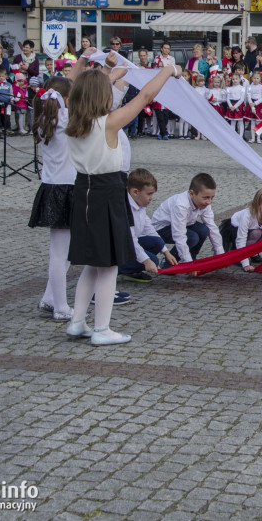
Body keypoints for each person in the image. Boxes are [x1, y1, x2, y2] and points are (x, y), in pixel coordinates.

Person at [63, 60, 177, 345]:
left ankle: (78, 320)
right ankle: (102, 328)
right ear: (104, 96)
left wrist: (113, 74)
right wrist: (168, 70)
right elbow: (145, 96)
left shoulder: (72, 120)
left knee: (92, 263)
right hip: (107, 194)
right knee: (110, 266)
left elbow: (74, 86)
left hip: (83, 191)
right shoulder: (108, 123)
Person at [28, 77, 76, 321]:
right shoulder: (65, 121)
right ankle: (60, 306)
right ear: (66, 100)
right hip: (65, 189)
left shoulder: (44, 120)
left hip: (54, 187)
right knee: (60, 253)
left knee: (64, 252)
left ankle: (50, 298)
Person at [151, 173, 226, 266]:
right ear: (191, 194)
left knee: (204, 230)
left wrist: (221, 255)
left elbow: (212, 227)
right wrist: (188, 264)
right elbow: (179, 235)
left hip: (184, 223)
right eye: (206, 198)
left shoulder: (205, 203)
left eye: (212, 197)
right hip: (161, 228)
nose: (209, 202)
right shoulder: (181, 205)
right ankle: (168, 263)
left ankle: (192, 258)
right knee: (192, 237)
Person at [118, 168, 175, 282]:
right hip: (119, 248)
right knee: (153, 260)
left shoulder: (139, 204)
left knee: (157, 242)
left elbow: (150, 229)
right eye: (149, 194)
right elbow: (130, 240)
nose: (151, 198)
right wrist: (146, 260)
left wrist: (166, 252)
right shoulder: (125, 208)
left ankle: (131, 268)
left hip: (128, 246)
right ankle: (118, 268)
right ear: (135, 192)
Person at [219, 187, 262, 271]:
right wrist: (245, 264)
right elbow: (241, 239)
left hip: (254, 232)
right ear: (257, 206)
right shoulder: (247, 216)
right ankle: (244, 255)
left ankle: (253, 253)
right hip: (236, 230)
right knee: (256, 233)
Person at [225, 70, 247, 139]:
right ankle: (233, 136)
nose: (235, 80)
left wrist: (235, 106)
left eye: (236, 79)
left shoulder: (242, 88)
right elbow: (227, 98)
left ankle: (240, 136)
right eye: (233, 79)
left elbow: (242, 99)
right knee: (232, 121)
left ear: (240, 79)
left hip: (239, 105)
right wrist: (231, 106)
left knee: (240, 121)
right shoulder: (229, 88)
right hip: (231, 105)